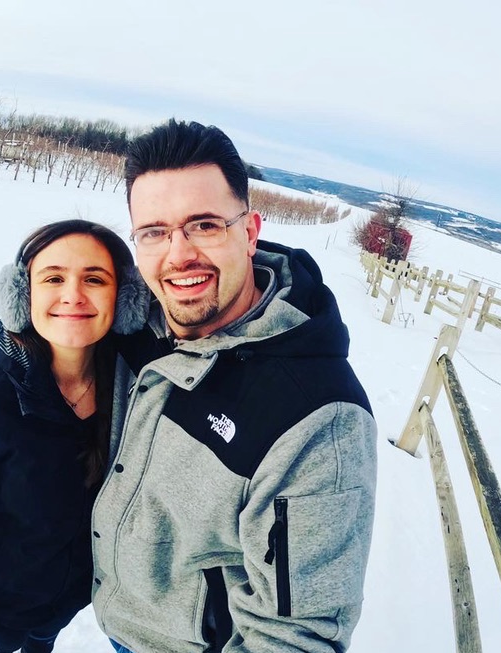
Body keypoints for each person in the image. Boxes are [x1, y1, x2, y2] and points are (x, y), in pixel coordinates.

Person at [91, 120, 378, 653]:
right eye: (153, 232)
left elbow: (295, 639)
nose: (178, 255)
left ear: (249, 232)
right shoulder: (142, 321)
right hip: (117, 621)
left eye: (204, 225)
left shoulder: (316, 415)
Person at [0, 219, 149, 653]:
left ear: (124, 299)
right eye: (53, 278)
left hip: (67, 604)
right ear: (22, 297)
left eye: (94, 279)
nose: (73, 295)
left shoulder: (135, 387)